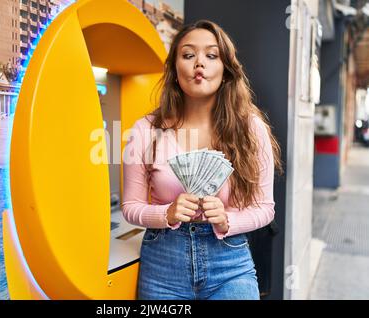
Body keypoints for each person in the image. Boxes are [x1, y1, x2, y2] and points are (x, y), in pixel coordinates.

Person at [121, 19, 283, 300]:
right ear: (174, 68)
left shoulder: (250, 128)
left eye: (211, 55)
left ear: (225, 69)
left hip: (229, 265)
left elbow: (265, 208)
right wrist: (166, 213)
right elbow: (130, 207)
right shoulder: (145, 129)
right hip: (162, 266)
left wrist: (227, 220)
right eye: (188, 55)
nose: (199, 64)